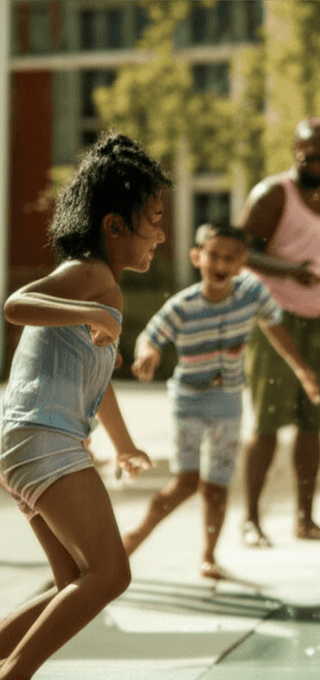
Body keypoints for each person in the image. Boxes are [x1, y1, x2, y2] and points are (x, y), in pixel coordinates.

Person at [0, 132, 170, 680]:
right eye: (153, 220)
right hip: (41, 436)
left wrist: (125, 446)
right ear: (114, 226)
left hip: (31, 441)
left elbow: (101, 384)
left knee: (74, 577)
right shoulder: (91, 274)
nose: (161, 235)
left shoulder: (103, 288)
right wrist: (96, 317)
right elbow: (16, 304)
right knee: (109, 574)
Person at [122, 224, 320, 579]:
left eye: (230, 258)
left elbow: (275, 328)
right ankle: (136, 536)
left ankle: (209, 556)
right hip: (188, 401)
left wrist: (303, 371)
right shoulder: (182, 306)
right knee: (186, 483)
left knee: (216, 487)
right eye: (213, 255)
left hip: (228, 402)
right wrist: (149, 356)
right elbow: (151, 336)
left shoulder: (251, 292)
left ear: (242, 263)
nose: (220, 263)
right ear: (197, 256)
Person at [238, 117, 320, 548]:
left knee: (311, 425)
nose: (315, 162)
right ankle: (251, 520)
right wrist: (290, 272)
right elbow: (240, 250)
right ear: (295, 150)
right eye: (308, 154)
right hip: (275, 323)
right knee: (266, 425)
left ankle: (305, 519)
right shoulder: (272, 193)